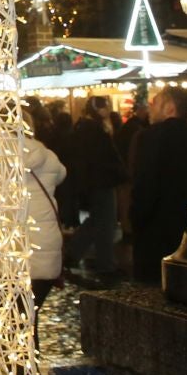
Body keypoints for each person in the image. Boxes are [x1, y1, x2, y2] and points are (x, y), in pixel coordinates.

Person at [127, 87, 187, 282]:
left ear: (170, 108)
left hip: (156, 230)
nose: (150, 108)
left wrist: (135, 219)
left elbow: (144, 186)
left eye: (155, 103)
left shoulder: (149, 138)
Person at [60, 95, 127, 284]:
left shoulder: (86, 127)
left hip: (96, 181)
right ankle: (105, 263)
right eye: (105, 106)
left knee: (97, 220)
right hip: (102, 181)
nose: (108, 109)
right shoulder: (95, 129)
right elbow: (103, 157)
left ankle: (73, 253)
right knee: (105, 222)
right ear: (99, 109)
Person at [21, 118, 68, 316]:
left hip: (10, 257)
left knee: (14, 323)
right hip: (46, 251)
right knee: (30, 321)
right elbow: (61, 175)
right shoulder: (48, 156)